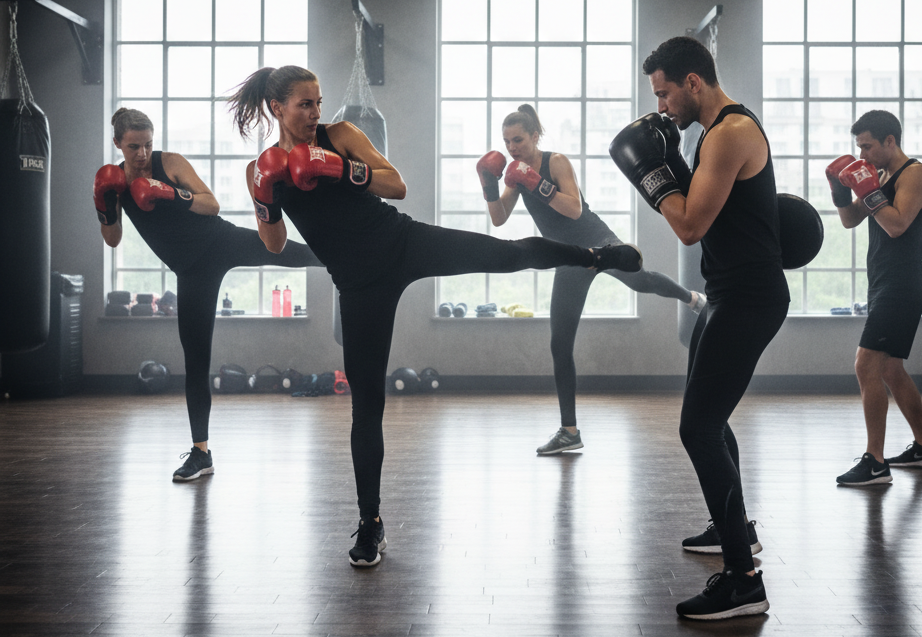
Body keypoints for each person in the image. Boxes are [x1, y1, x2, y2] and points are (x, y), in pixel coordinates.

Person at [229, 65, 642, 568]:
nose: (316, 113)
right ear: (277, 108)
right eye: (304, 105)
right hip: (358, 286)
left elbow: (395, 185)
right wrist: (266, 198)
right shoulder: (260, 170)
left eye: (318, 102)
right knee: (367, 405)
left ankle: (597, 256)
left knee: (504, 255)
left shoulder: (341, 135)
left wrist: (338, 167)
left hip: (404, 243)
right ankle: (370, 523)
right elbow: (273, 246)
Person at [610, 36, 789, 621]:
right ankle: (734, 527)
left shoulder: (731, 132)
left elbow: (688, 225)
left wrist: (654, 177)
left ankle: (743, 580)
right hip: (727, 294)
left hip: (750, 299)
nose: (661, 107)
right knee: (709, 419)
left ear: (693, 83)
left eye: (664, 93)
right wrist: (675, 167)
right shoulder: (713, 136)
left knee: (698, 427)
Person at [94, 108, 322, 482]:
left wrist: (167, 192)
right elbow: (114, 239)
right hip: (191, 273)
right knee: (196, 360)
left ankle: (343, 259)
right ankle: (201, 453)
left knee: (283, 252)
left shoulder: (170, 163)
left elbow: (211, 204)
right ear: (118, 142)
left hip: (220, 241)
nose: (142, 153)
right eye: (134, 146)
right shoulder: (114, 182)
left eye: (147, 144)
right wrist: (104, 205)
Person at [479, 104, 706, 455]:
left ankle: (692, 299)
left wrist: (536, 183)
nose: (512, 147)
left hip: (599, 241)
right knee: (560, 345)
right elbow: (498, 219)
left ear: (535, 136)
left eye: (518, 139)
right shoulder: (515, 173)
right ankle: (569, 431)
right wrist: (490, 184)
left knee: (638, 279)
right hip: (567, 257)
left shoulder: (555, 162)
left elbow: (574, 209)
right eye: (507, 141)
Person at [826, 109, 922, 486]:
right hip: (883, 282)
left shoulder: (916, 175)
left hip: (902, 283)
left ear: (890, 141)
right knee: (890, 369)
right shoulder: (882, 175)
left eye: (868, 146)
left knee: (866, 366)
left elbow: (895, 225)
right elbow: (850, 220)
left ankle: (875, 461)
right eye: (858, 148)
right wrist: (840, 189)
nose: (862, 156)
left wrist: (868, 189)